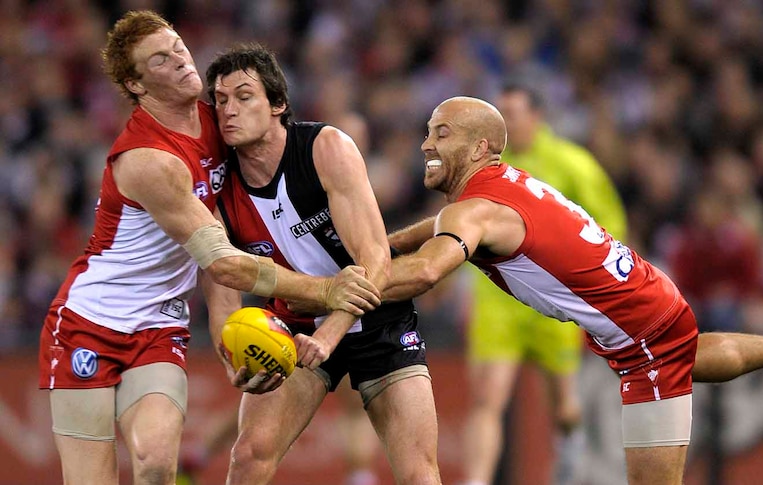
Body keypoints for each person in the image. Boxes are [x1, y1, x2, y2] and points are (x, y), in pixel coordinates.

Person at [381, 96, 763, 485]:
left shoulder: (476, 211)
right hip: (648, 296)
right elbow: (453, 224)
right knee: (689, 356)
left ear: (480, 146)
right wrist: (391, 241)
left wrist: (337, 286)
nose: (426, 144)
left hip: (639, 333)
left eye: (441, 132)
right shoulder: (503, 185)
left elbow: (425, 273)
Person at [36, 11, 380, 485]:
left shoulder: (219, 122)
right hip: (87, 323)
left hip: (159, 325)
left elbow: (221, 244)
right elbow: (222, 260)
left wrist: (227, 345)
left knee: (157, 464)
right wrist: (328, 290)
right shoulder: (147, 159)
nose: (180, 59)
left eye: (177, 45)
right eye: (160, 59)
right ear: (136, 87)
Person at [200, 43, 440, 485]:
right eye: (220, 100)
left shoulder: (325, 147)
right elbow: (220, 275)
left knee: (418, 474)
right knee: (248, 456)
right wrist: (227, 349)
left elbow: (375, 259)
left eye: (244, 96)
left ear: (278, 104)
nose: (229, 110)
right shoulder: (217, 185)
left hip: (378, 318)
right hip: (293, 330)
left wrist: (331, 334)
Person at [460, 82, 627, 485]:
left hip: (554, 302)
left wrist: (595, 295)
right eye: (498, 116)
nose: (503, 124)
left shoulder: (573, 163)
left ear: (536, 116)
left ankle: (569, 449)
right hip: (498, 303)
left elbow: (610, 226)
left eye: (511, 115)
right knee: (487, 400)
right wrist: (466, 289)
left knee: (564, 406)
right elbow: (465, 229)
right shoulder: (483, 168)